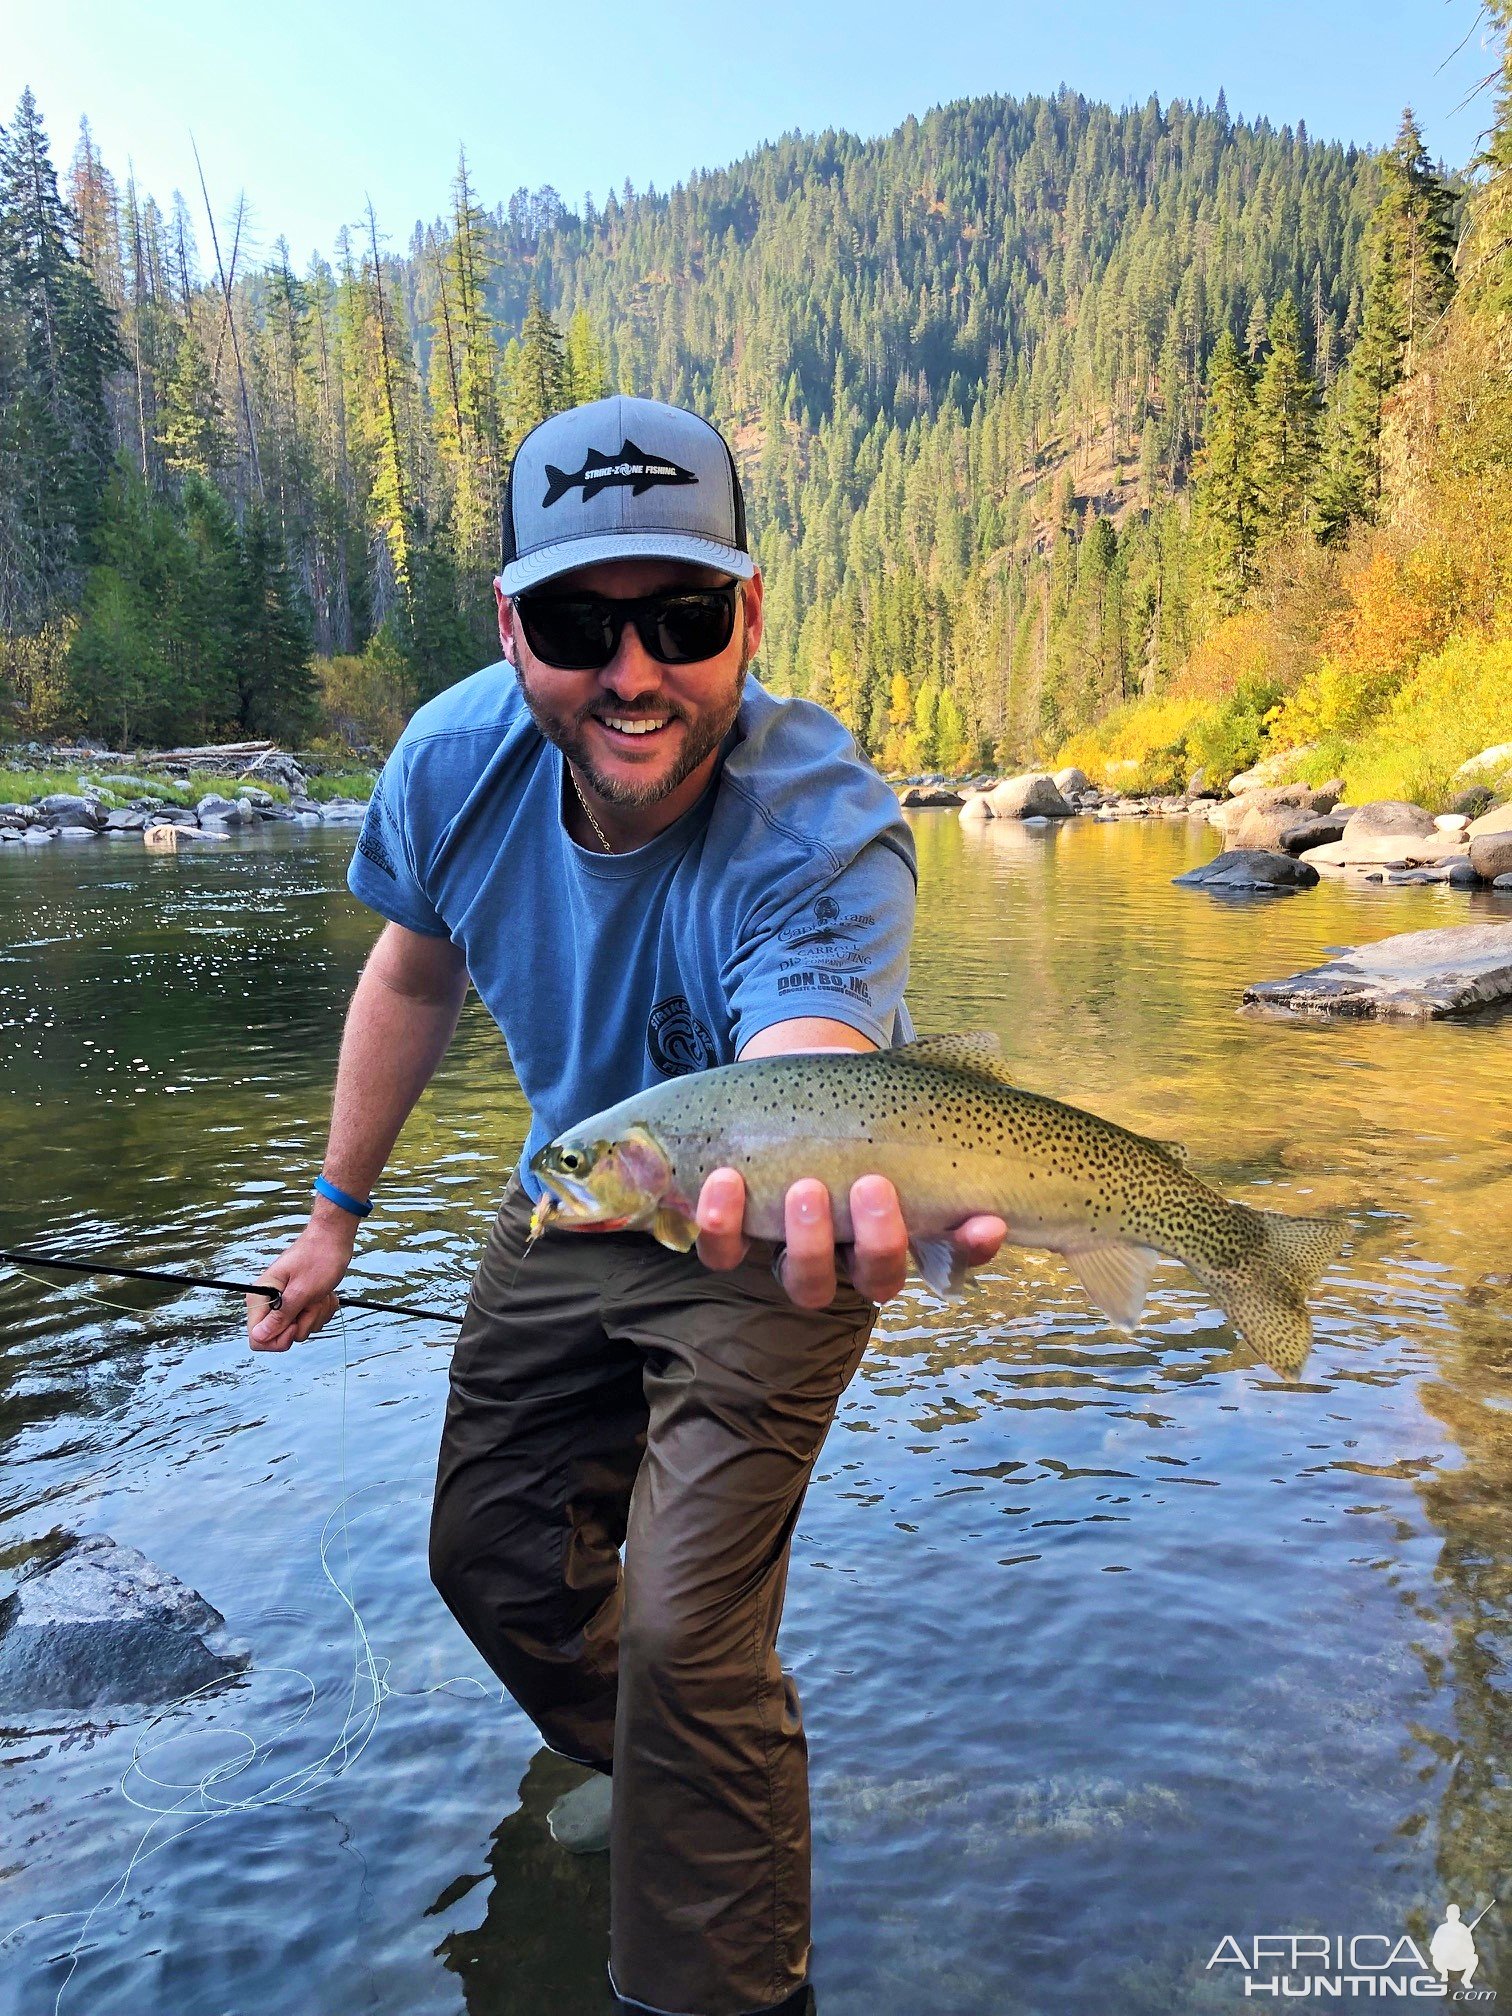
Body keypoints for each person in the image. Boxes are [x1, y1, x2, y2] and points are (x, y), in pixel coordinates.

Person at [248, 394, 1006, 2016]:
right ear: (510, 626)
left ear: (747, 614)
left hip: (762, 1236)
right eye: (582, 623)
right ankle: (674, 1772)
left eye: (679, 616)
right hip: (578, 1189)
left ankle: (720, 1977)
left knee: (684, 1627)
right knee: (488, 1551)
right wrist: (332, 1215)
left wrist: (800, 1177)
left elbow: (802, 1060)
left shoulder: (823, 823)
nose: (634, 672)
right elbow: (413, 967)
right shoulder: (449, 766)